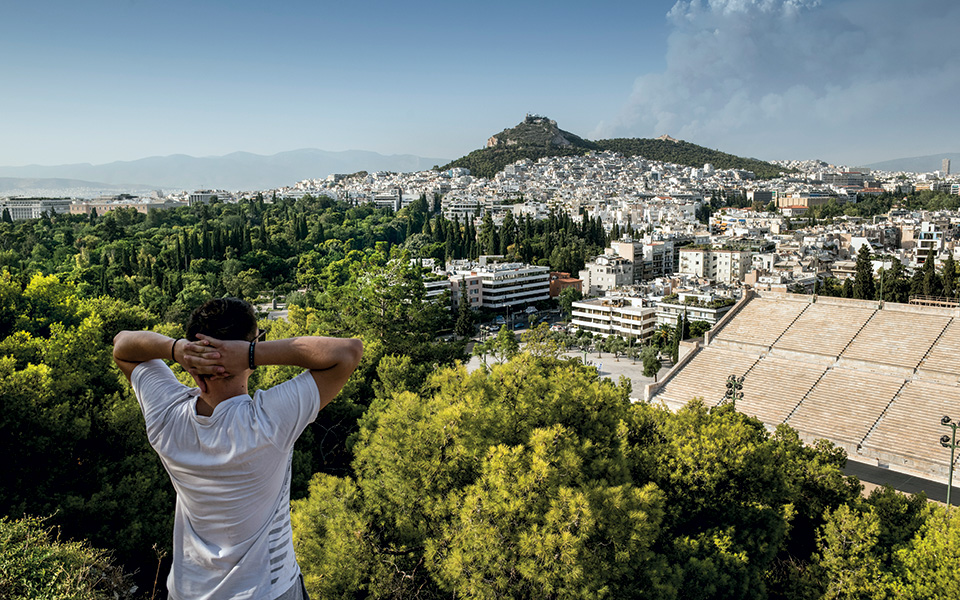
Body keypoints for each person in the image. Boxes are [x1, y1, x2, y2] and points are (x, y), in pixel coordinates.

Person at [112, 297, 363, 600]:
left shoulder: (166, 415)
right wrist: (252, 354)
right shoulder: (268, 422)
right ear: (247, 350)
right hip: (269, 591)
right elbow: (347, 352)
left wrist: (177, 350)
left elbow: (122, 346)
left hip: (188, 592)